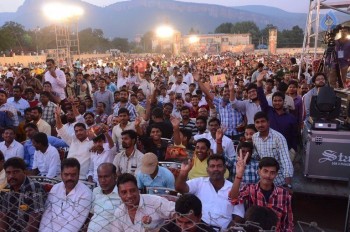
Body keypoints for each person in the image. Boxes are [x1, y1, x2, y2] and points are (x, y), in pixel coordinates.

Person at [175, 155, 244, 230]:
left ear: (225, 169)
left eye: (219, 166)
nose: (216, 169)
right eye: (212, 166)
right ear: (207, 169)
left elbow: (239, 215)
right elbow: (180, 188)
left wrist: (228, 230)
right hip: (199, 229)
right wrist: (183, 173)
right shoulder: (199, 182)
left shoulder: (233, 187)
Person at [229, 156, 293, 232]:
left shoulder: (284, 194)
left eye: (272, 173)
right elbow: (233, 199)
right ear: (259, 171)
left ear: (276, 174)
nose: (268, 176)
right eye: (265, 171)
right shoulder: (250, 189)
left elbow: (288, 222)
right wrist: (239, 176)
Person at [39, 158, 93, 232]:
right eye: (66, 174)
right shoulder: (55, 188)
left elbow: (75, 224)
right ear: (61, 174)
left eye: (73, 175)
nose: (69, 178)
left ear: (78, 174)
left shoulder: (85, 194)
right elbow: (47, 215)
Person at [111, 173, 175, 231]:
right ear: (119, 194)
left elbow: (179, 213)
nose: (129, 195)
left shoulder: (155, 202)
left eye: (132, 190)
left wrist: (161, 230)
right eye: (124, 192)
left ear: (138, 189)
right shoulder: (119, 213)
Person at [0, 157, 46, 231]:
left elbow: (34, 222)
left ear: (24, 172)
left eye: (15, 172)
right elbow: (3, 218)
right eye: (8, 173)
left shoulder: (34, 188)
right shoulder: (6, 190)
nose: (11, 176)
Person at [194, 74, 244, 139]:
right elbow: (207, 92)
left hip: (239, 134)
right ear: (222, 93)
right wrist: (198, 81)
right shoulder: (220, 102)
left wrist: (244, 124)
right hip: (225, 134)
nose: (227, 93)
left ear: (233, 92)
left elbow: (245, 116)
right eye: (225, 91)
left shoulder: (239, 102)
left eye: (229, 91)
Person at [252, 111, 293, 187]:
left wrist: (288, 184)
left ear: (268, 122)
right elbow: (257, 156)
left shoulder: (278, 138)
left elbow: (286, 160)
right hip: (263, 179)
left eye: (263, 121)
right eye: (257, 122)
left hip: (279, 180)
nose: (260, 125)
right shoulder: (254, 137)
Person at [56, 106, 93, 180]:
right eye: (76, 131)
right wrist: (57, 117)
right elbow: (61, 130)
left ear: (86, 130)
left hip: (82, 178)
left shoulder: (92, 143)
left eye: (81, 130)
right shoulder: (72, 140)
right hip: (66, 175)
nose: (79, 132)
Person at [88, 163, 121, 232]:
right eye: (100, 177)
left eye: (106, 176)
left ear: (115, 176)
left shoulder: (121, 194)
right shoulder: (95, 191)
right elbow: (91, 214)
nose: (103, 180)